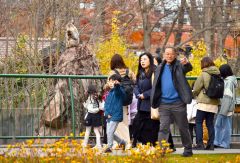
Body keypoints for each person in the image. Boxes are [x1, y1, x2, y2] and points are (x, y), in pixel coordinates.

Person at [151, 46, 193, 157]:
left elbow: (188, 68)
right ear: (164, 55)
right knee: (163, 128)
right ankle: (161, 151)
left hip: (178, 103)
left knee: (183, 127)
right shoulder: (160, 67)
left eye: (171, 54)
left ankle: (188, 149)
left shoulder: (179, 65)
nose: (169, 56)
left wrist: (187, 63)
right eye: (167, 54)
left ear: (175, 55)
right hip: (164, 104)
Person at [105, 54, 136, 149]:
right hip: (126, 99)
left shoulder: (112, 73)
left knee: (116, 123)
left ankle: (118, 143)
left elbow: (108, 85)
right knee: (125, 121)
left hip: (116, 100)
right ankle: (127, 142)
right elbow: (134, 81)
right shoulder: (129, 71)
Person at [193, 56, 220, 150]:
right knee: (210, 123)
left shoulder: (204, 73)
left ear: (203, 64)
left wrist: (194, 94)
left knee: (198, 122)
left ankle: (200, 144)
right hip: (214, 102)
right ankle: (211, 144)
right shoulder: (218, 73)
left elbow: (196, 88)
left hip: (203, 102)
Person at [132, 52, 160, 146]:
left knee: (151, 127)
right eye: (141, 60)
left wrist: (145, 94)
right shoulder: (140, 72)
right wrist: (138, 94)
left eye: (144, 59)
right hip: (141, 104)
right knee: (136, 124)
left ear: (150, 60)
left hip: (151, 105)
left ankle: (151, 145)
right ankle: (141, 143)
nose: (142, 61)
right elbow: (135, 85)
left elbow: (157, 87)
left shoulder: (155, 71)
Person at [153, 54, 176, 151]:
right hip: (162, 101)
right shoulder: (159, 70)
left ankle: (166, 146)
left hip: (165, 101)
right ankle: (165, 146)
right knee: (164, 125)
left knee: (164, 125)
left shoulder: (163, 70)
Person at [214, 64, 238, 149]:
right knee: (222, 125)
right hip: (226, 107)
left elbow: (227, 97)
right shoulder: (229, 81)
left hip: (225, 107)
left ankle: (222, 143)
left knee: (222, 125)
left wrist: (223, 111)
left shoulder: (228, 82)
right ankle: (219, 142)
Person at [104, 74, 126, 153]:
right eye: (109, 81)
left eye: (113, 82)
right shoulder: (109, 92)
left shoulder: (119, 91)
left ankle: (109, 147)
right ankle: (121, 142)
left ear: (117, 82)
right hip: (109, 116)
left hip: (116, 115)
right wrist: (106, 113)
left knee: (110, 132)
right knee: (109, 132)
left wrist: (117, 85)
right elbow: (106, 104)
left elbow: (119, 92)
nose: (110, 83)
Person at [82, 84, 104, 150]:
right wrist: (98, 109)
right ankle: (98, 145)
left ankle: (85, 144)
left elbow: (85, 106)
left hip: (90, 115)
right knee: (96, 131)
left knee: (87, 130)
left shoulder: (88, 97)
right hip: (96, 115)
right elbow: (102, 107)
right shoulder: (99, 97)